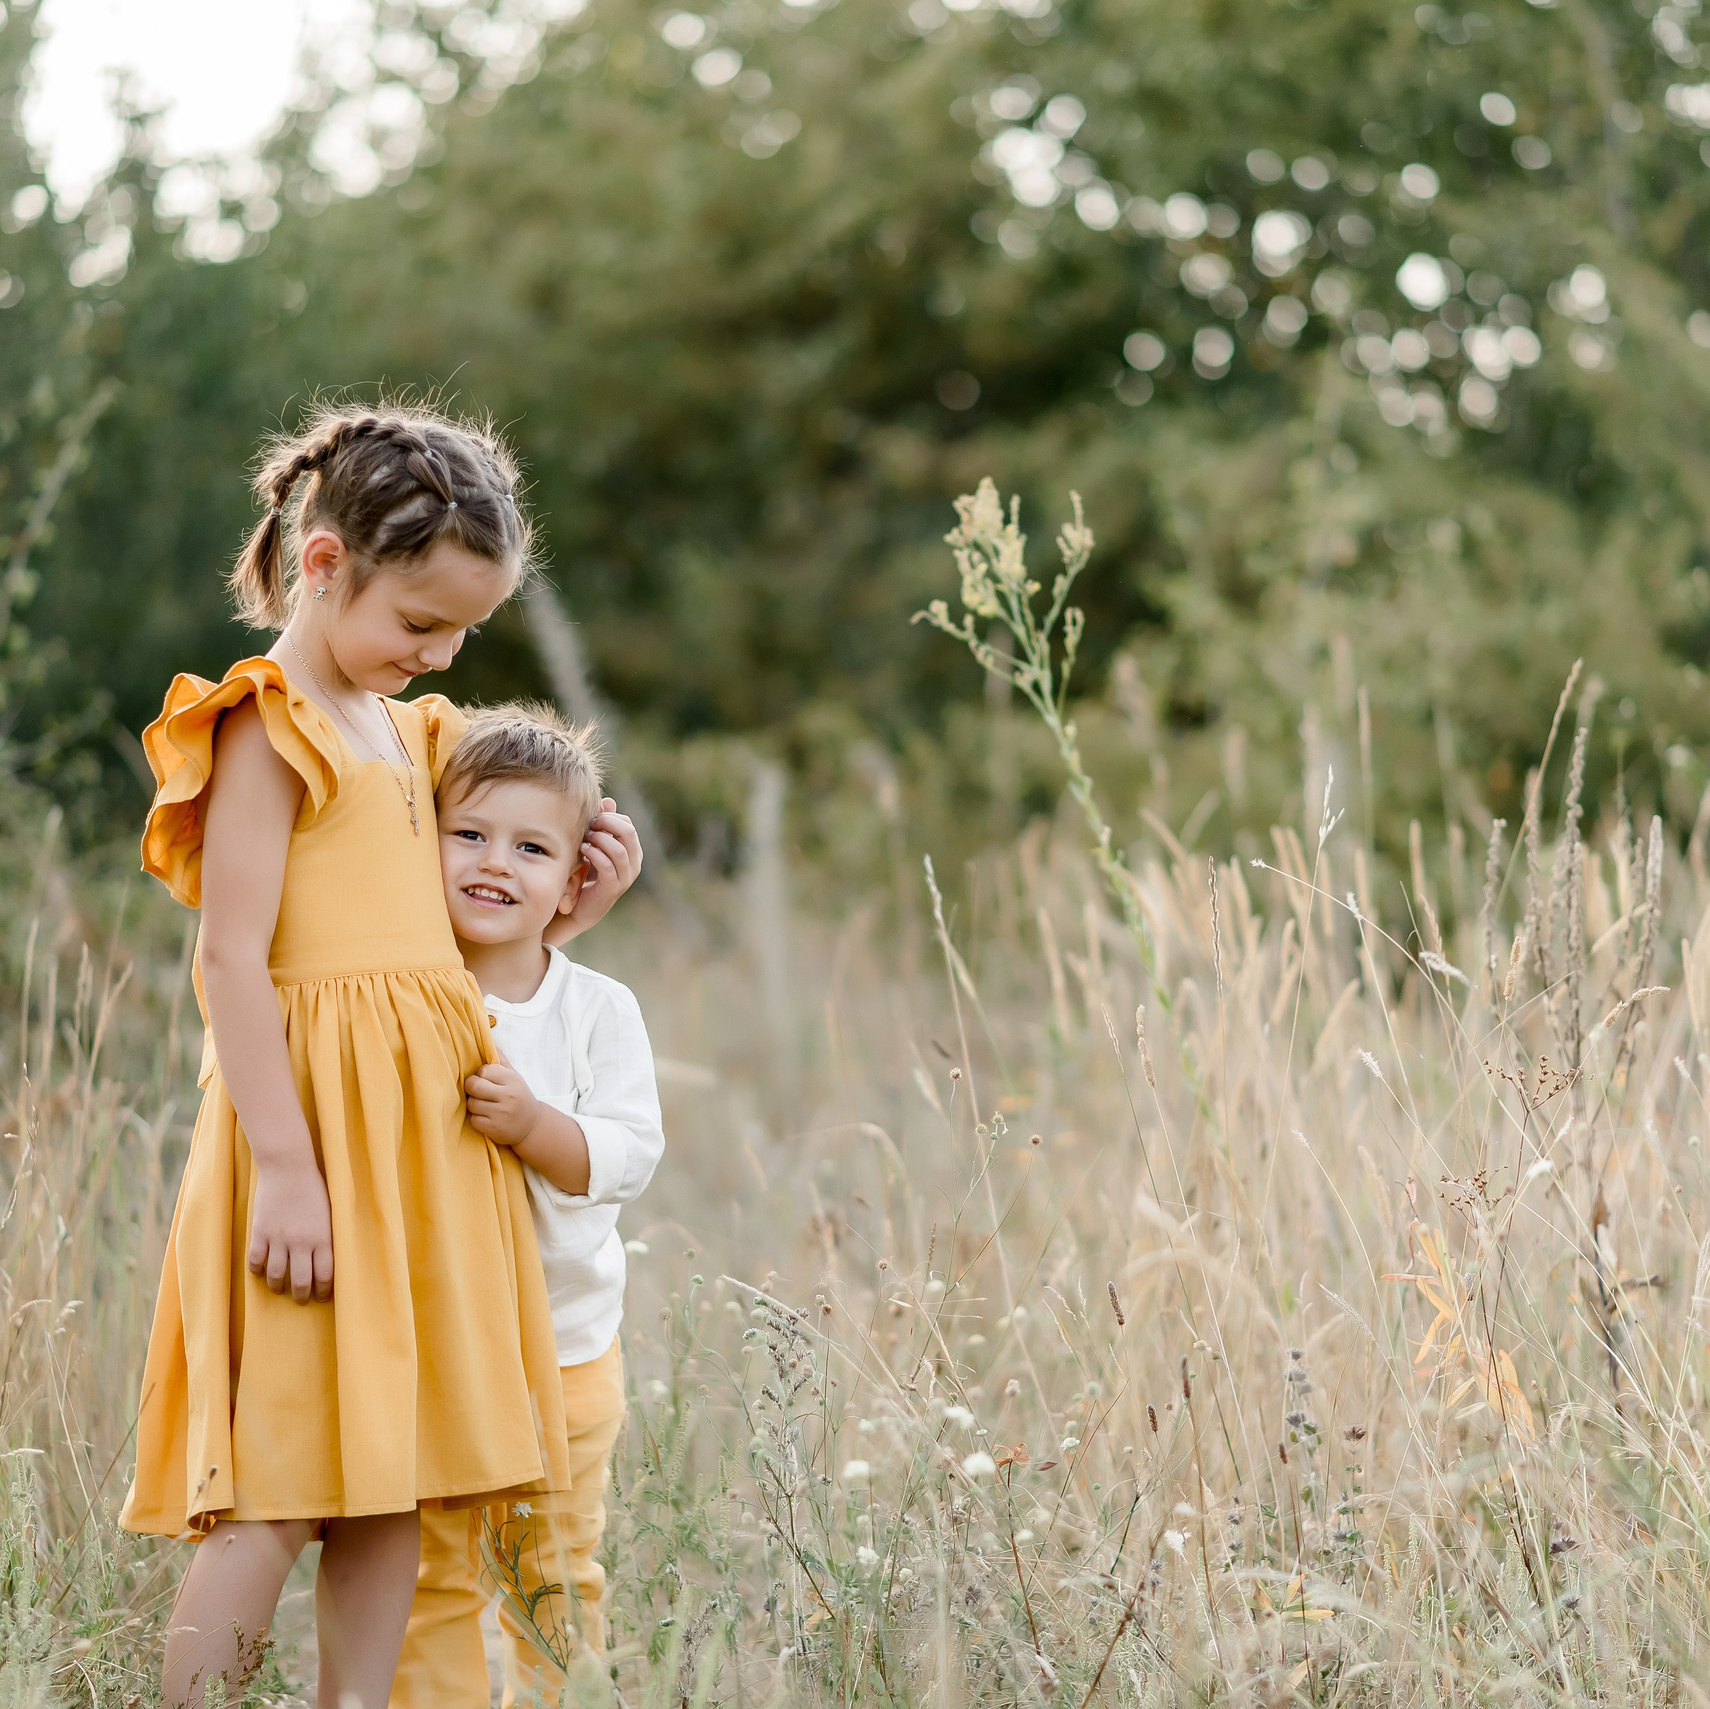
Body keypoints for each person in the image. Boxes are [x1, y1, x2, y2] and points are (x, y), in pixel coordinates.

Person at [119, 404, 643, 1709]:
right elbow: (232, 960)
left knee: (395, 1479)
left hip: (419, 1164)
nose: (441, 652)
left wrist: (567, 911)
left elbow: (443, 927)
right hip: (311, 1153)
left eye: (464, 630)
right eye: (418, 623)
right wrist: (288, 1170)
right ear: (323, 562)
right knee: (281, 1489)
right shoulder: (271, 723)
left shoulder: (408, 736)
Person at [391, 703, 665, 1708]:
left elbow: (630, 1152)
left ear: (577, 873)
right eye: (468, 833)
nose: (494, 862)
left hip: (567, 1356)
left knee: (550, 1580)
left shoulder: (597, 1007)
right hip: (435, 1355)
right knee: (429, 1582)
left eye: (532, 846)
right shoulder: (411, 990)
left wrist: (536, 1124)